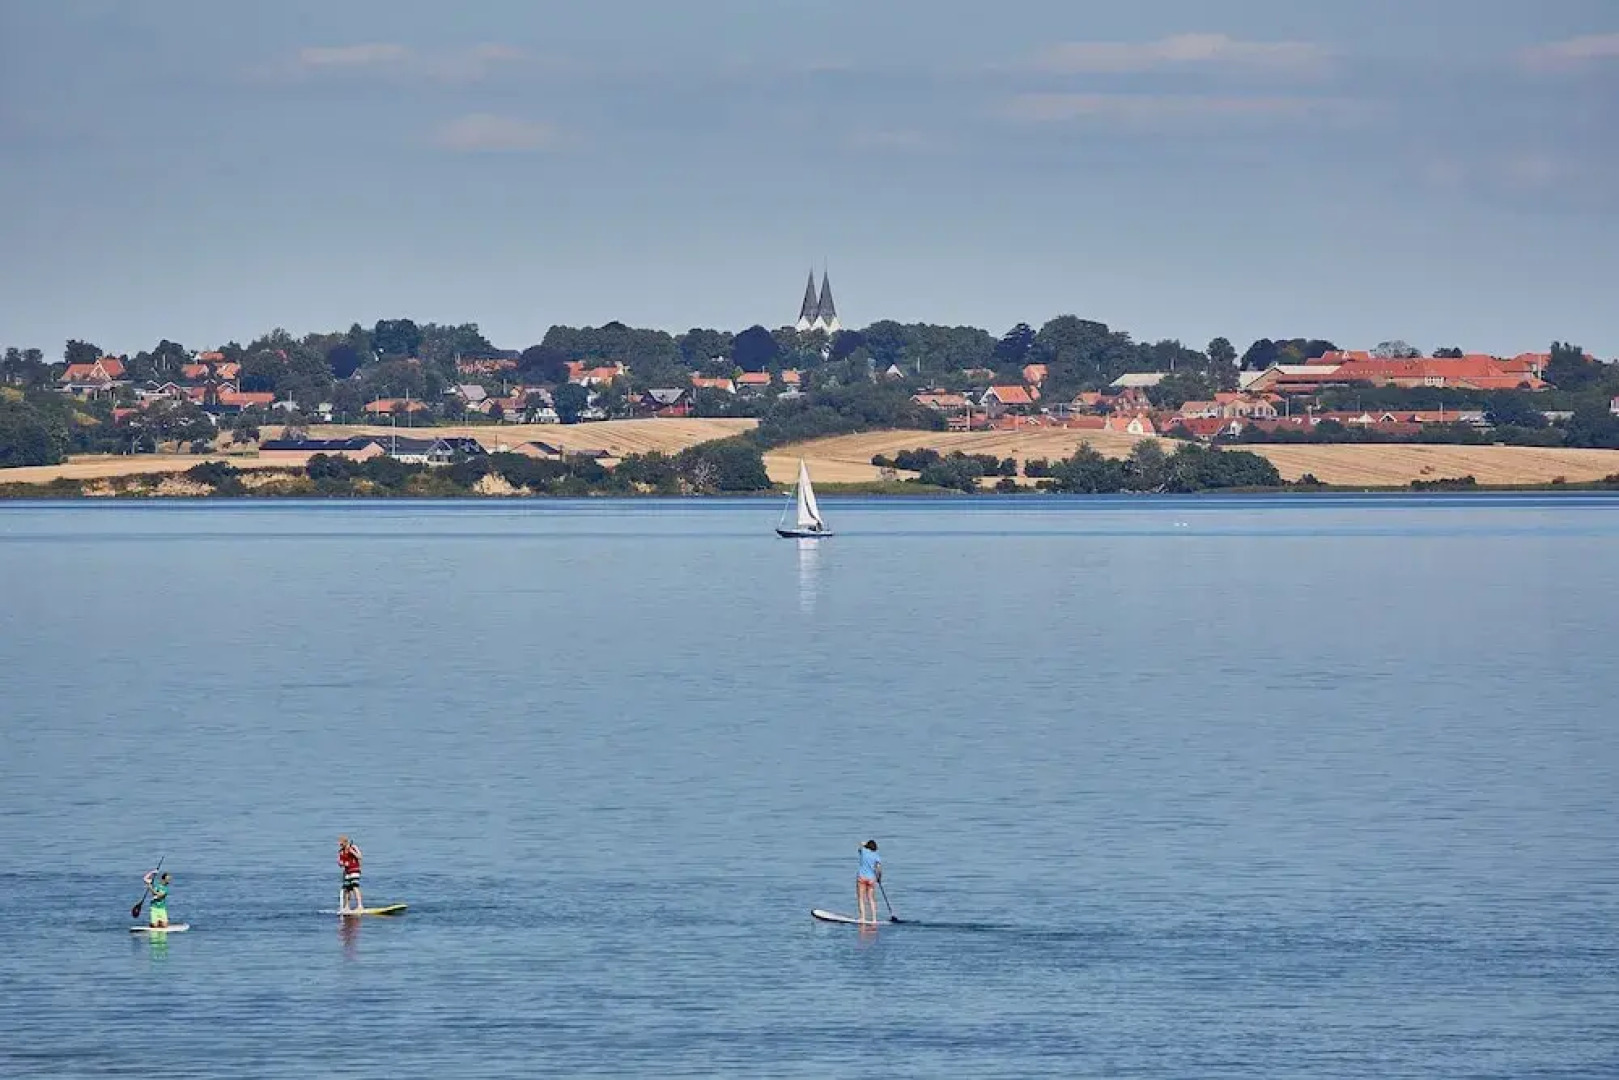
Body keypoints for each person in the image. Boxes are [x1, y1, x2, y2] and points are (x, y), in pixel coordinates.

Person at [856, 840, 882, 925]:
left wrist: (864, 844)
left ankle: (863, 917)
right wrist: (879, 878)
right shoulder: (876, 856)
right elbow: (879, 869)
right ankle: (874, 919)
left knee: (861, 898)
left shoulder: (863, 852)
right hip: (871, 879)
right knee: (871, 898)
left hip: (862, 878)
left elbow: (860, 845)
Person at [338, 836, 363, 913]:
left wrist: (352, 852)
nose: (340, 845)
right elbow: (340, 862)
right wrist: (341, 863)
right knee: (347, 889)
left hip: (355, 870)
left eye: (341, 844)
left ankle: (360, 905)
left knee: (355, 887)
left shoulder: (353, 847)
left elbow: (360, 857)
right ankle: (347, 907)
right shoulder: (341, 851)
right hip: (347, 872)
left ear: (345, 842)